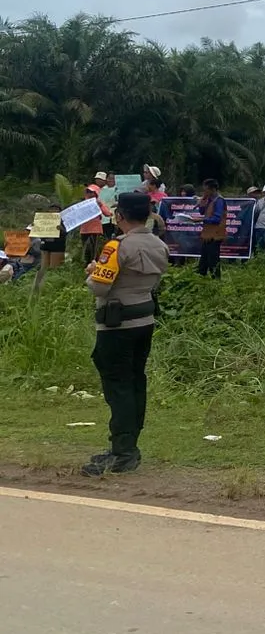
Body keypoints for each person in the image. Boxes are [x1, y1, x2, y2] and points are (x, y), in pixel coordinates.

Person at [82, 190, 168, 476]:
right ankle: (128, 444)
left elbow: (99, 287)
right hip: (144, 320)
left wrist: (93, 270)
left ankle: (123, 452)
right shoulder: (158, 244)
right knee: (134, 382)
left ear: (119, 216)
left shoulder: (116, 247)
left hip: (116, 325)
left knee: (117, 386)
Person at [196, 178, 226, 277]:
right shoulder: (209, 200)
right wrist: (201, 203)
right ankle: (200, 281)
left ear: (213, 189)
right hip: (207, 235)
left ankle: (216, 283)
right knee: (203, 261)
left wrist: (201, 220)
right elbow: (202, 212)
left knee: (213, 262)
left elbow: (217, 219)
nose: (204, 192)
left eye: (206, 190)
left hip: (215, 235)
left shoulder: (219, 201)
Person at [79, 182, 106, 265]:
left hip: (95, 229)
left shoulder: (99, 203)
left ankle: (94, 266)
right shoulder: (82, 203)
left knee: (94, 249)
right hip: (84, 229)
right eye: (89, 192)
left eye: (92, 192)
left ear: (96, 193)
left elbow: (108, 213)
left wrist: (100, 206)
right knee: (86, 249)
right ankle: (87, 265)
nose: (90, 194)